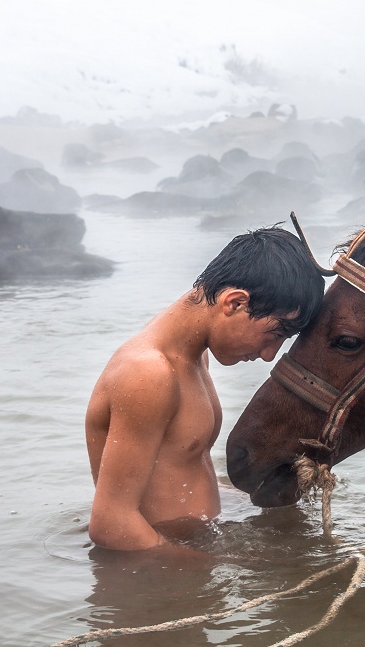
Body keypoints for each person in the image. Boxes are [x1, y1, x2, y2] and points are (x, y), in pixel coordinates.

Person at [85, 226, 325, 551]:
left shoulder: (192, 357)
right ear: (234, 303)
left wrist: (258, 500)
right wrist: (217, 571)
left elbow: (177, 474)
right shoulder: (149, 374)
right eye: (273, 335)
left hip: (184, 553)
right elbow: (111, 524)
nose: (270, 354)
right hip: (156, 584)